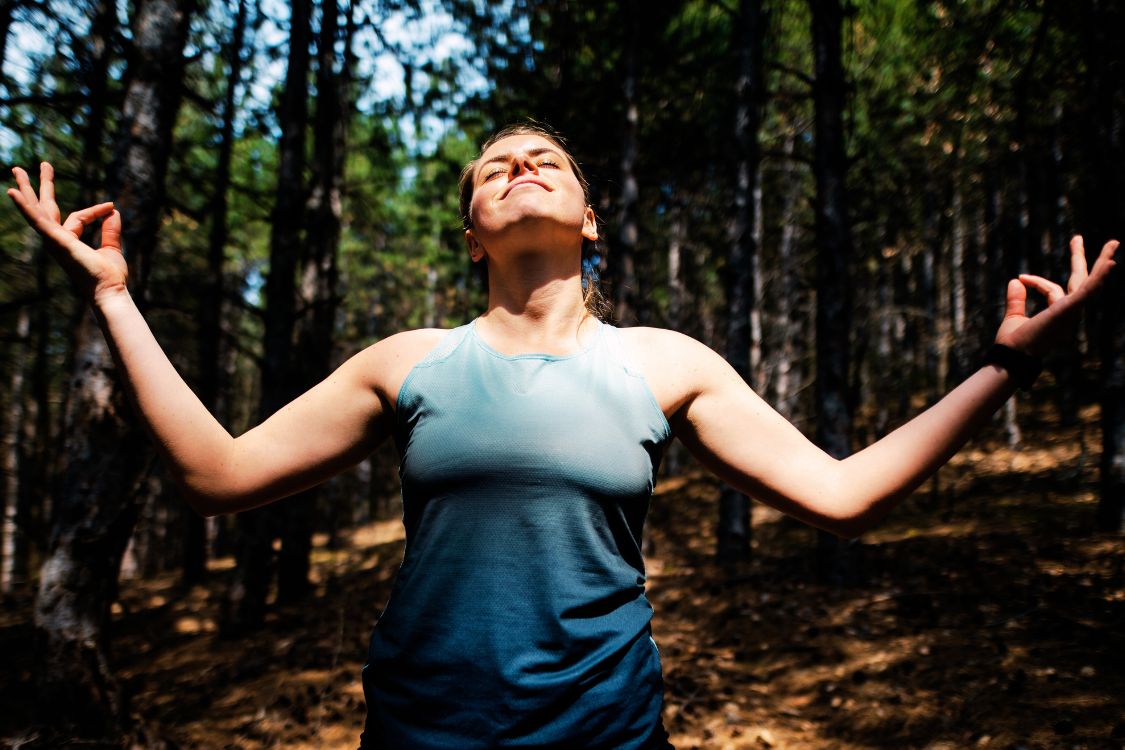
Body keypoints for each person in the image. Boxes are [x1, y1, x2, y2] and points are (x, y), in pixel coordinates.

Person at [7, 123, 1118, 750]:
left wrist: (1007, 362)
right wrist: (112, 297)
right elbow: (217, 473)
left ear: (589, 219)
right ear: (473, 231)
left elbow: (843, 491)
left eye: (545, 159)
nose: (519, 166)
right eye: (493, 166)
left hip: (606, 738)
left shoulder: (665, 362)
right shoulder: (406, 361)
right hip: (421, 738)